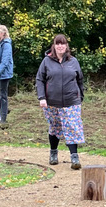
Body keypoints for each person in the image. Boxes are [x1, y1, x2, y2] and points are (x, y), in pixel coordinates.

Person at [36, 34, 85, 168]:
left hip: (71, 101)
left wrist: (80, 96)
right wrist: (42, 97)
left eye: (62, 44)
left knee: (71, 127)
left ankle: (74, 158)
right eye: (57, 44)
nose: (60, 46)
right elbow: (40, 80)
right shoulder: (46, 61)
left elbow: (80, 79)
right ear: (54, 45)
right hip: (52, 102)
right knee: (55, 127)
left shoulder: (73, 61)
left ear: (66, 46)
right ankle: (53, 153)